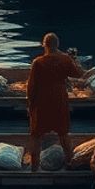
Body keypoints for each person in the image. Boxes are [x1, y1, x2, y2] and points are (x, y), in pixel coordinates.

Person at [26, 32, 84, 171]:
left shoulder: (38, 62)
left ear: (44, 45)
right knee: (63, 133)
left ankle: (34, 165)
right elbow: (78, 74)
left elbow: (31, 87)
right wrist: (74, 59)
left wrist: (30, 105)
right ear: (57, 44)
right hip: (59, 98)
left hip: (42, 101)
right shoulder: (65, 59)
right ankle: (69, 162)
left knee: (36, 135)